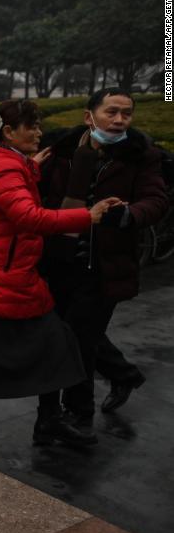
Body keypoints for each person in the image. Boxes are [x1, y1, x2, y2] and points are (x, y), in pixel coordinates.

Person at [0, 99, 122, 448]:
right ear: (9, 132)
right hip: (2, 273)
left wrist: (27, 166)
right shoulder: (3, 167)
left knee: (43, 341)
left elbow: (10, 202)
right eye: (31, 127)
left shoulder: (2, 161)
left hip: (5, 270)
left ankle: (43, 419)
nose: (39, 132)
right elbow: (29, 217)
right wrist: (86, 216)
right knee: (28, 342)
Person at [39, 89, 168, 423]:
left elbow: (155, 199)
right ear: (89, 116)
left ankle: (79, 416)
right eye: (111, 112)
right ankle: (123, 375)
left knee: (78, 338)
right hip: (59, 258)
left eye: (126, 114)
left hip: (105, 265)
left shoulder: (141, 155)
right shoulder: (62, 150)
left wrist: (130, 214)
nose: (119, 120)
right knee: (67, 330)